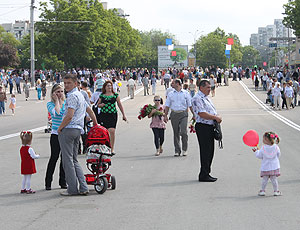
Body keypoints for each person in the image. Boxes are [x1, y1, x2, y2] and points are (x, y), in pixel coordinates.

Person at [57, 74, 98, 196]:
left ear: (75, 83)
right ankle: (83, 186)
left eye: (69, 83)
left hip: (69, 129)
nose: (66, 85)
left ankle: (72, 188)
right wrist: (96, 124)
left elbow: (69, 115)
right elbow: (89, 110)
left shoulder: (72, 96)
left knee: (67, 160)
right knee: (74, 160)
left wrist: (60, 128)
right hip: (78, 129)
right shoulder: (80, 95)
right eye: (65, 83)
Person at [192, 80, 222, 182]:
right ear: (201, 88)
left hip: (209, 126)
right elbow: (201, 113)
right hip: (203, 126)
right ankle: (203, 174)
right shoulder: (197, 98)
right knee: (205, 151)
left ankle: (207, 172)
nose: (210, 89)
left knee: (210, 151)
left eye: (210, 87)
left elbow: (211, 110)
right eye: (208, 87)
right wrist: (215, 117)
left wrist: (217, 116)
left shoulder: (206, 98)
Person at [164, 79, 195, 157]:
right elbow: (167, 105)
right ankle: (177, 150)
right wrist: (165, 115)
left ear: (177, 84)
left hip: (183, 113)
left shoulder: (186, 93)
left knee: (184, 132)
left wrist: (194, 114)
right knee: (176, 132)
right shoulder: (170, 94)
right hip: (174, 114)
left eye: (173, 83)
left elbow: (190, 105)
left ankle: (185, 149)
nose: (171, 84)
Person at [45, 84, 67, 190]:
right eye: (57, 92)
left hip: (65, 133)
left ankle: (63, 181)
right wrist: (57, 101)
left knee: (64, 159)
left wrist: (62, 101)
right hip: (55, 134)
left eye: (61, 91)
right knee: (54, 157)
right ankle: (48, 182)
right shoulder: (50, 104)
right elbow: (57, 112)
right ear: (53, 93)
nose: (59, 94)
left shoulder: (66, 103)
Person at [96, 80, 127, 154]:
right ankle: (104, 147)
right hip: (104, 114)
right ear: (105, 87)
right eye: (108, 86)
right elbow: (98, 104)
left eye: (110, 85)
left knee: (112, 131)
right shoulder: (102, 95)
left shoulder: (115, 95)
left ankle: (112, 148)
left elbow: (119, 105)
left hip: (112, 114)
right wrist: (101, 105)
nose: (109, 87)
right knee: (104, 132)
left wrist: (123, 115)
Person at [252, 132, 281, 196]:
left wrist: (256, 151)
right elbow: (278, 154)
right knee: (274, 179)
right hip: (274, 166)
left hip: (266, 167)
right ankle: (276, 191)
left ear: (266, 139)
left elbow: (259, 156)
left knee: (264, 179)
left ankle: (262, 191)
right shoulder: (276, 147)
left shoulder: (263, 148)